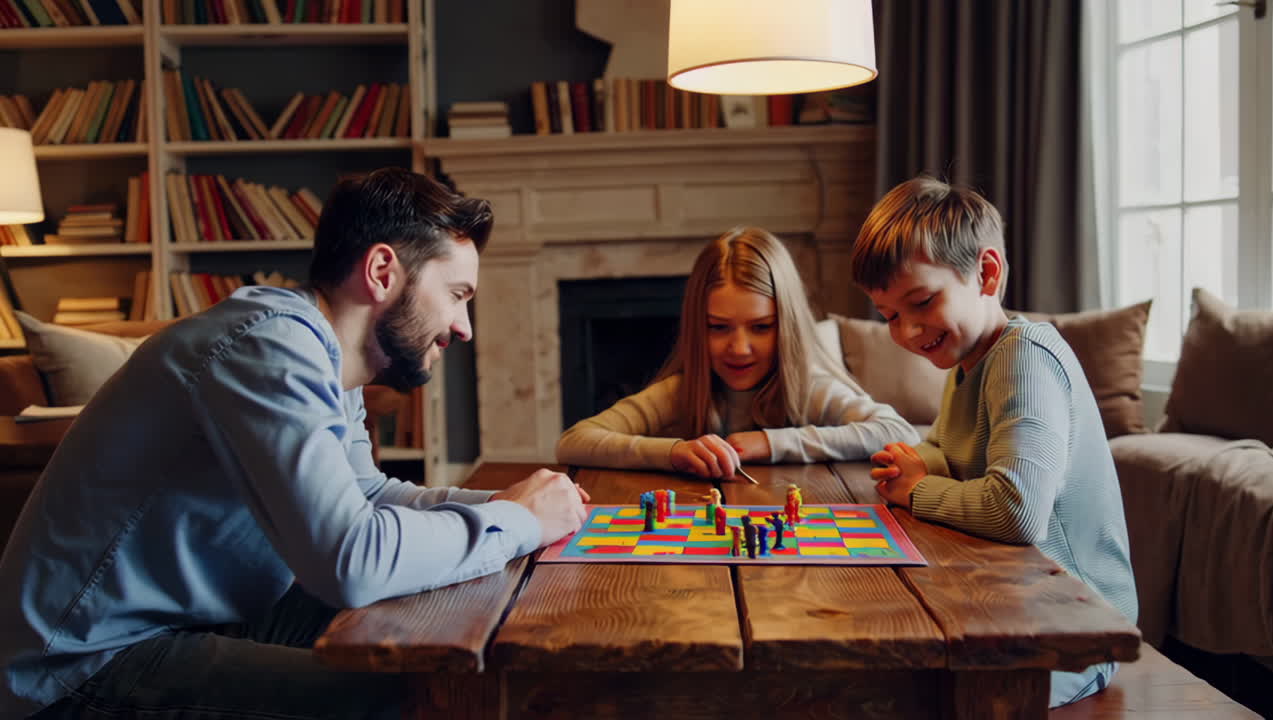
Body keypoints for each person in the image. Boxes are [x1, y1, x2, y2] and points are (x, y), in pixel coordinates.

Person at [0, 167, 589, 719]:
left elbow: (370, 496)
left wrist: (510, 507)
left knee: (438, 628)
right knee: (416, 695)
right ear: (383, 272)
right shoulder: (272, 344)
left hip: (200, 617)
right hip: (82, 661)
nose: (464, 326)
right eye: (458, 293)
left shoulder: (327, 358)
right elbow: (351, 560)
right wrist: (518, 520)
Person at [851, 177, 1138, 708]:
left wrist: (917, 491)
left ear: (986, 273)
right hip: (1014, 604)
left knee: (906, 695)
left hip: (1077, 629)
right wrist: (914, 460)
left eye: (921, 302)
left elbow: (1017, 509)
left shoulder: (1023, 356)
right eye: (891, 316)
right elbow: (946, 448)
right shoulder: (968, 363)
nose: (909, 332)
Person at [556, 226, 918, 479]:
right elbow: (574, 442)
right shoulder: (680, 393)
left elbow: (896, 431)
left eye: (760, 327)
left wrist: (769, 443)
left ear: (786, 327)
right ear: (698, 327)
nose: (739, 348)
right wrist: (673, 452)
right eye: (718, 327)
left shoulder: (810, 388)